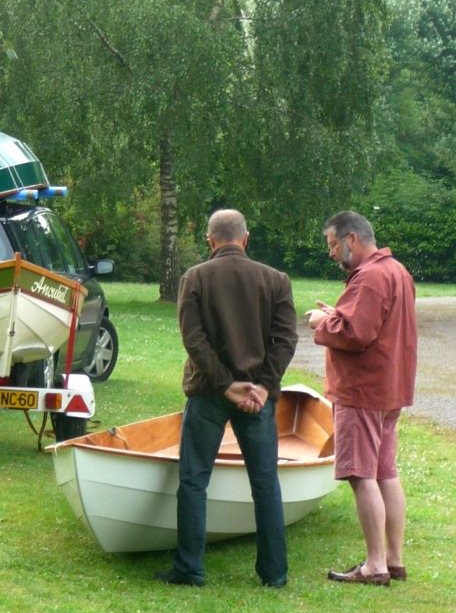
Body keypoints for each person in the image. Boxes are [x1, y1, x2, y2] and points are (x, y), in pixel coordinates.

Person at [156, 209, 298, 588]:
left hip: (209, 394)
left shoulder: (196, 277)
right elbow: (286, 340)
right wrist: (264, 386)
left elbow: (194, 339)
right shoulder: (276, 280)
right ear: (246, 239)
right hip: (257, 397)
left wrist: (223, 384)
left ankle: (189, 568)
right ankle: (274, 573)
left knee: (193, 481)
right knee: (265, 483)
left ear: (210, 241)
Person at [306, 211, 417, 586]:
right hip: (389, 390)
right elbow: (374, 326)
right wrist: (338, 315)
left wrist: (323, 323)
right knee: (386, 472)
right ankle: (393, 559)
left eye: (334, 245)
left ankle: (374, 565)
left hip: (362, 391)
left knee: (361, 474)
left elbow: (357, 334)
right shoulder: (397, 271)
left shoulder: (369, 277)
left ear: (352, 239)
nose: (333, 254)